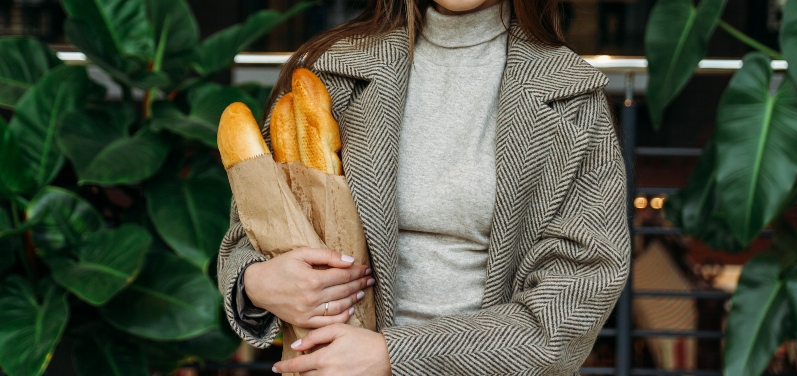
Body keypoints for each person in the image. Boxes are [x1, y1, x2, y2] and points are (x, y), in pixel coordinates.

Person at [217, 0, 631, 374]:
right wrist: (254, 283)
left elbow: (572, 301)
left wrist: (394, 355)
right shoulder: (327, 72)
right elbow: (248, 232)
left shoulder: (574, 99)